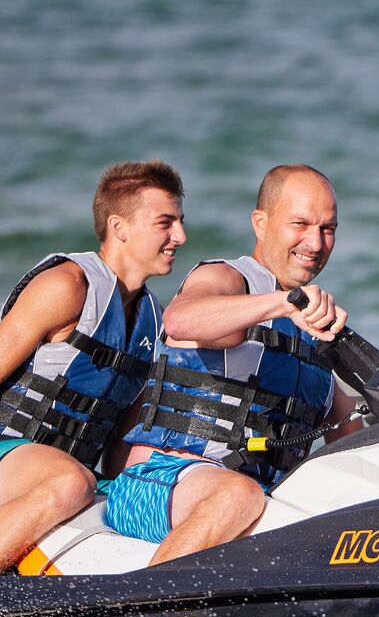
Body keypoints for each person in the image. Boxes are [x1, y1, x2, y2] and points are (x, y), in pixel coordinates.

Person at [0, 160, 185, 577]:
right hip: (0, 457)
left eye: (180, 222)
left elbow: (119, 444)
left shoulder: (154, 320)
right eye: (165, 223)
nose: (180, 237)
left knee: (159, 495)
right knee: (73, 482)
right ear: (119, 227)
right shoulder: (67, 287)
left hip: (75, 473)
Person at [105, 164, 363, 564]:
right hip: (154, 485)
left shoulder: (311, 335)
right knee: (238, 493)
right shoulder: (226, 279)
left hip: (249, 501)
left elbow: (352, 440)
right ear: (261, 223)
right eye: (301, 224)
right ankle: (141, 610)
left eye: (328, 229)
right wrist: (284, 302)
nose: (315, 242)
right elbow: (181, 319)